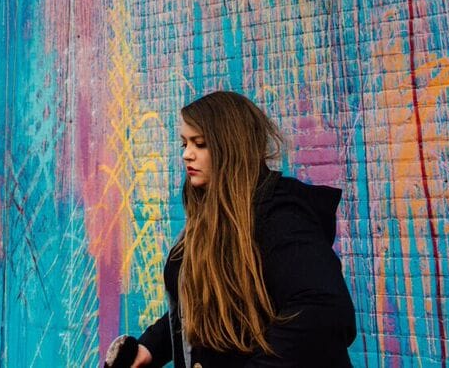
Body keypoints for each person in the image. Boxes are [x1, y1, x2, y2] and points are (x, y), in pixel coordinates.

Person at [127, 91, 356, 367]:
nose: (187, 155)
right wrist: (150, 347)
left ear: (231, 146)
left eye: (200, 144)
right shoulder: (212, 217)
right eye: (184, 144)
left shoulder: (280, 217)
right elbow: (205, 307)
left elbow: (323, 311)